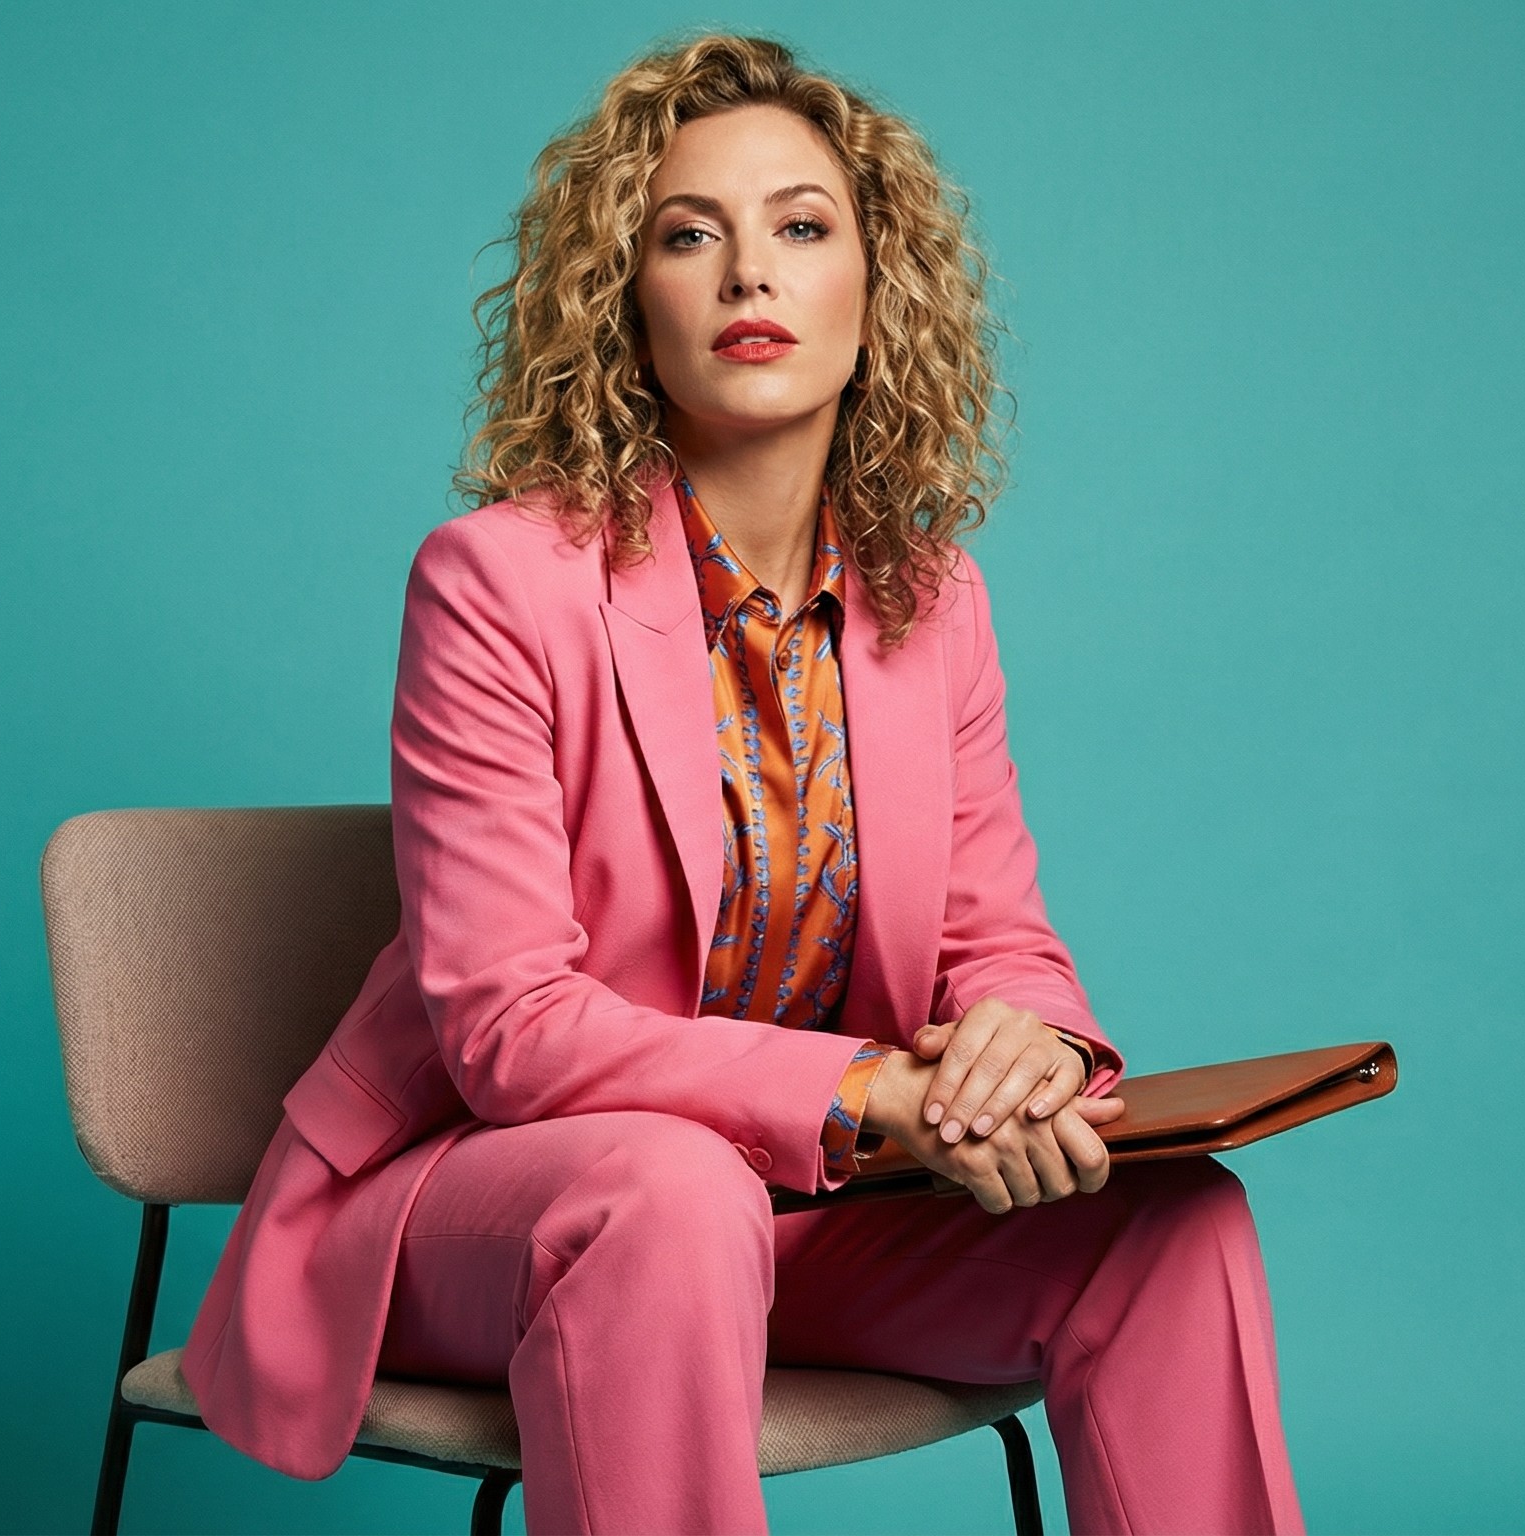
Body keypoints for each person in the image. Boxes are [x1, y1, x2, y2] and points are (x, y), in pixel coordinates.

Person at [180, 33, 1303, 1535]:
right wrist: (872, 1091)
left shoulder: (931, 598)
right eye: (687, 235)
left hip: (805, 1221)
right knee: (674, 1195)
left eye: (800, 226)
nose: (746, 276)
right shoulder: (497, 583)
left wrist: (1022, 1051)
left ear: (875, 286)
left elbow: (999, 941)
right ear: (623, 301)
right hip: (482, 1213)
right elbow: (511, 1031)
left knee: (1166, 1224)